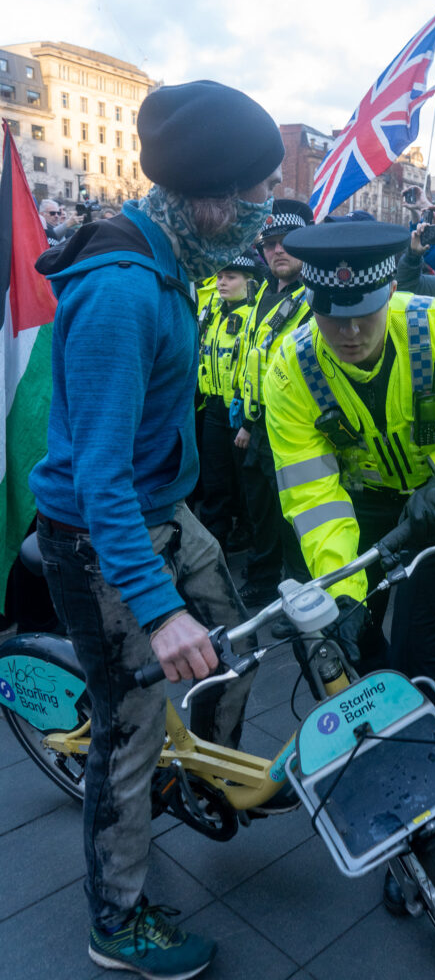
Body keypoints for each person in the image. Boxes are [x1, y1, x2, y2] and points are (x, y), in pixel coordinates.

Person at [29, 79, 284, 979]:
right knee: (127, 732)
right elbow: (98, 479)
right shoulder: (125, 293)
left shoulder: (172, 257)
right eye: (255, 196)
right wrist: (155, 606)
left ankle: (208, 770)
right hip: (101, 535)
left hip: (161, 509)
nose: (264, 215)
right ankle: (118, 919)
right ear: (209, 195)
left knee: (236, 634)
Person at [263, 219, 435, 696]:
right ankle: (376, 733)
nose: (349, 334)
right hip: (360, 503)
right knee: (354, 633)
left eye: (364, 314)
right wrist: (341, 594)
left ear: (391, 290)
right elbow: (314, 496)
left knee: (418, 643)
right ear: (309, 301)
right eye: (331, 317)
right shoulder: (289, 370)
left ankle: (431, 739)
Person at [234, 199, 314, 608]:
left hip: (297, 428)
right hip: (258, 422)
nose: (277, 250)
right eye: (269, 244)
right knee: (261, 512)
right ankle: (265, 580)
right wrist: (246, 418)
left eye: (287, 243)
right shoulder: (265, 288)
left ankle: (300, 593)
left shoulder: (316, 296)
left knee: (295, 516)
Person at [197, 251, 261, 553]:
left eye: (230, 277)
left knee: (244, 480)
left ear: (249, 282)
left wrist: (248, 422)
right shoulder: (213, 310)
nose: (222, 282)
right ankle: (215, 536)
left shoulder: (257, 315)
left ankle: (248, 530)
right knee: (215, 478)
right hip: (212, 408)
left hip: (242, 412)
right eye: (220, 276)